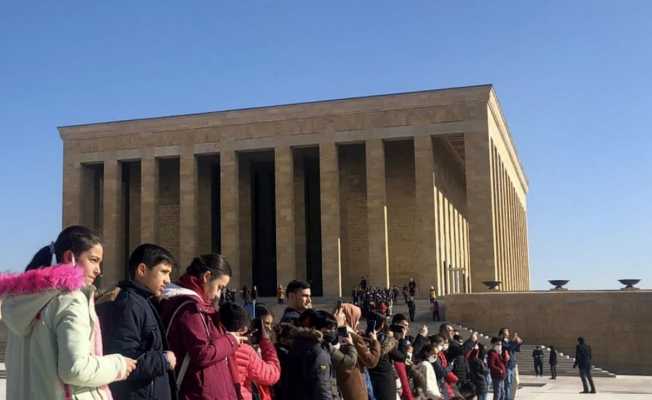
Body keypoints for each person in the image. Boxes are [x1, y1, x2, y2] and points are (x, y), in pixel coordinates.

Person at [1, 225, 137, 399]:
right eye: (93, 260)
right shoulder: (71, 299)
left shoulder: (19, 303)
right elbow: (75, 369)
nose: (99, 270)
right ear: (69, 257)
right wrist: (119, 365)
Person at [159, 254, 245, 400]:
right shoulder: (189, 308)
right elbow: (201, 352)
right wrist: (230, 340)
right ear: (206, 277)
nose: (218, 294)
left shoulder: (201, 306)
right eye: (219, 287)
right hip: (197, 392)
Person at [98, 243, 177, 400]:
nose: (168, 280)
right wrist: (163, 360)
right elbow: (122, 359)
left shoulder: (143, 301)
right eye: (164, 272)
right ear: (142, 270)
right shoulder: (128, 304)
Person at [220, 303, 280, 400]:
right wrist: (266, 343)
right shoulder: (244, 351)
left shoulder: (212, 345)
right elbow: (271, 374)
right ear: (244, 329)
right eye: (265, 324)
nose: (269, 328)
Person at [498, 328, 522, 400]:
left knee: (512, 383)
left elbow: (516, 349)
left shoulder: (509, 341)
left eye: (508, 331)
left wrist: (519, 343)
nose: (508, 332)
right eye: (506, 331)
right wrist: (514, 341)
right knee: (507, 384)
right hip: (507, 365)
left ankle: (509, 397)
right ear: (502, 334)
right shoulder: (501, 342)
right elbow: (509, 347)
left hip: (513, 365)